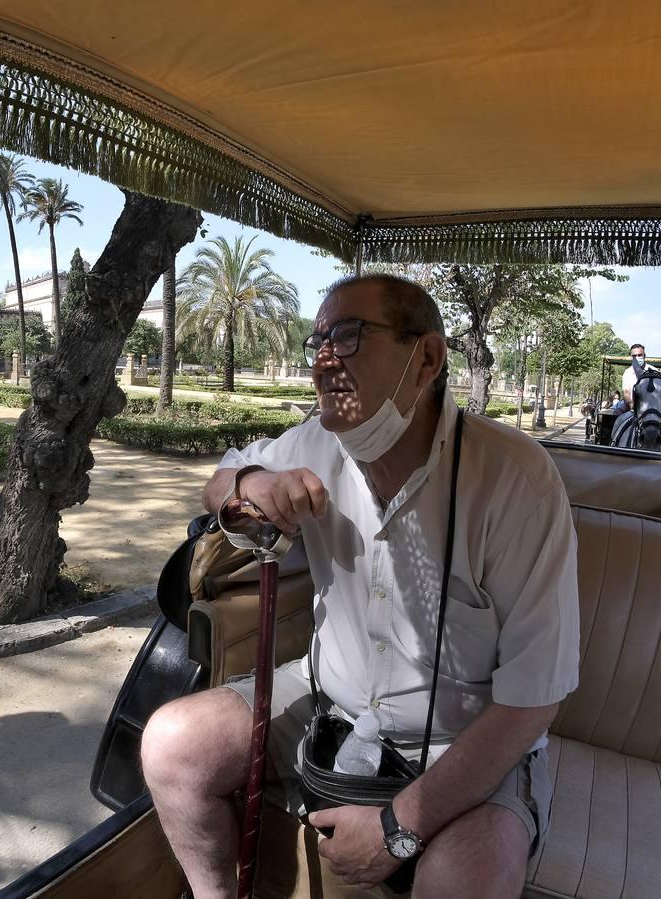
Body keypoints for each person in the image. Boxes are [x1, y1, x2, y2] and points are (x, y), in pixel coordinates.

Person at [141, 274, 580, 899]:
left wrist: (397, 830)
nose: (322, 360)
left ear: (426, 357)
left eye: (347, 336)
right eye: (316, 339)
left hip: (467, 740)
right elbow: (222, 477)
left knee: (466, 880)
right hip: (329, 700)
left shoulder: (517, 483)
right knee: (170, 745)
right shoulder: (314, 444)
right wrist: (249, 488)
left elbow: (532, 702)